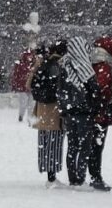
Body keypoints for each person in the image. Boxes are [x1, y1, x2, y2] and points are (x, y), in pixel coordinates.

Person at [77, 44, 112, 192]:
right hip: (101, 114)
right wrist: (107, 103)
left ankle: (89, 175)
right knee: (97, 146)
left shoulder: (90, 66)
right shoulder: (104, 68)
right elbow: (103, 89)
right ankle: (96, 177)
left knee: (91, 146)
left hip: (93, 112)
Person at [34, 41, 72, 184]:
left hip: (42, 109)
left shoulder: (44, 63)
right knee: (55, 142)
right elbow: (62, 87)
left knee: (44, 142)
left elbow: (30, 84)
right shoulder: (59, 65)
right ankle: (52, 176)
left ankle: (48, 172)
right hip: (54, 108)